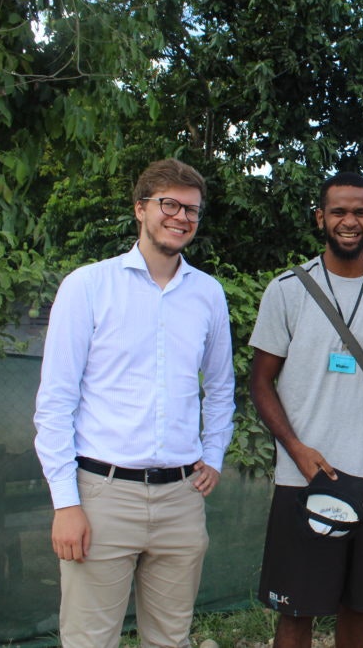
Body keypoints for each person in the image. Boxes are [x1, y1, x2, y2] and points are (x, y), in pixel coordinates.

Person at [33, 158, 236, 647]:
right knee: (89, 640)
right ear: (140, 208)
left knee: (170, 638)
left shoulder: (207, 294)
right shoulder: (88, 286)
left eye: (192, 210)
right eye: (170, 204)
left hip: (182, 499)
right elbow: (55, 401)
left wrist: (214, 453)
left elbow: (221, 386)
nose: (181, 217)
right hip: (102, 496)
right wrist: (66, 503)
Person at [249, 172, 363, 648]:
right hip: (304, 473)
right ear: (320, 218)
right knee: (296, 610)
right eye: (338, 212)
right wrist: (295, 449)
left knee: (358, 606)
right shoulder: (287, 290)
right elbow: (260, 381)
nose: (349, 221)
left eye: (360, 212)